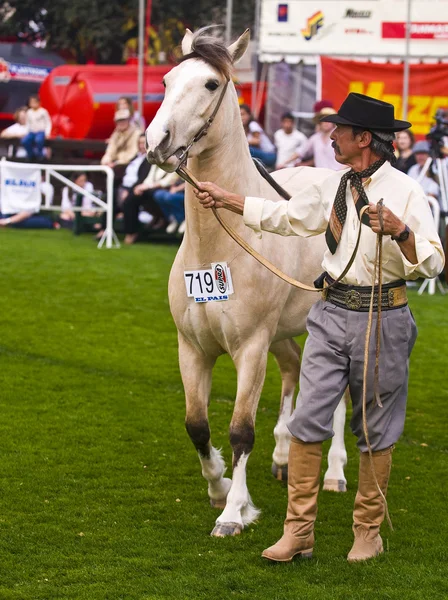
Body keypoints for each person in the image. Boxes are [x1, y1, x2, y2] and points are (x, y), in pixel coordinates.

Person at [193, 93, 444, 563]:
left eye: (340, 130)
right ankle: (298, 533)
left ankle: (368, 532)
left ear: (364, 139)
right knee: (307, 421)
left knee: (374, 429)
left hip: (382, 317)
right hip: (328, 313)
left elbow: (433, 263)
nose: (331, 135)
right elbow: (286, 216)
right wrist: (227, 199)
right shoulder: (334, 185)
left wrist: (401, 231)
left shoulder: (408, 192)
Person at [283, 102, 344, 170]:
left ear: (333, 122)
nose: (326, 123)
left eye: (329, 120)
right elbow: (300, 152)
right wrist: (284, 163)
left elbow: (349, 157)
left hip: (337, 175)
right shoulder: (315, 138)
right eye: (324, 120)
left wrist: (341, 171)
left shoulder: (340, 137)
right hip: (320, 177)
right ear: (319, 123)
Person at [100, 109, 142, 185]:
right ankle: (101, 194)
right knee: (98, 168)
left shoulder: (136, 133)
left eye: (123, 120)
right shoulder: (116, 134)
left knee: (115, 171)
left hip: (128, 163)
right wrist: (106, 162)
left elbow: (132, 154)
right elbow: (110, 150)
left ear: (129, 120)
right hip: (115, 162)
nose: (121, 123)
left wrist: (115, 163)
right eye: (119, 120)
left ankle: (109, 195)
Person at [240, 104, 276, 168]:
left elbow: (257, 141)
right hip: (260, 156)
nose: (241, 117)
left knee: (246, 149)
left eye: (243, 114)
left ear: (249, 115)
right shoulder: (243, 128)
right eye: (239, 115)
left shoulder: (253, 124)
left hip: (269, 156)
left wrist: (241, 142)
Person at [21, 95, 52, 161]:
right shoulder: (29, 112)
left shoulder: (43, 111)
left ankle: (40, 155)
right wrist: (26, 132)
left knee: (38, 140)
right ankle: (30, 154)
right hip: (32, 132)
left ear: (38, 102)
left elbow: (48, 123)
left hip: (40, 131)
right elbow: (28, 123)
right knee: (25, 141)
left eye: (34, 102)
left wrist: (47, 133)